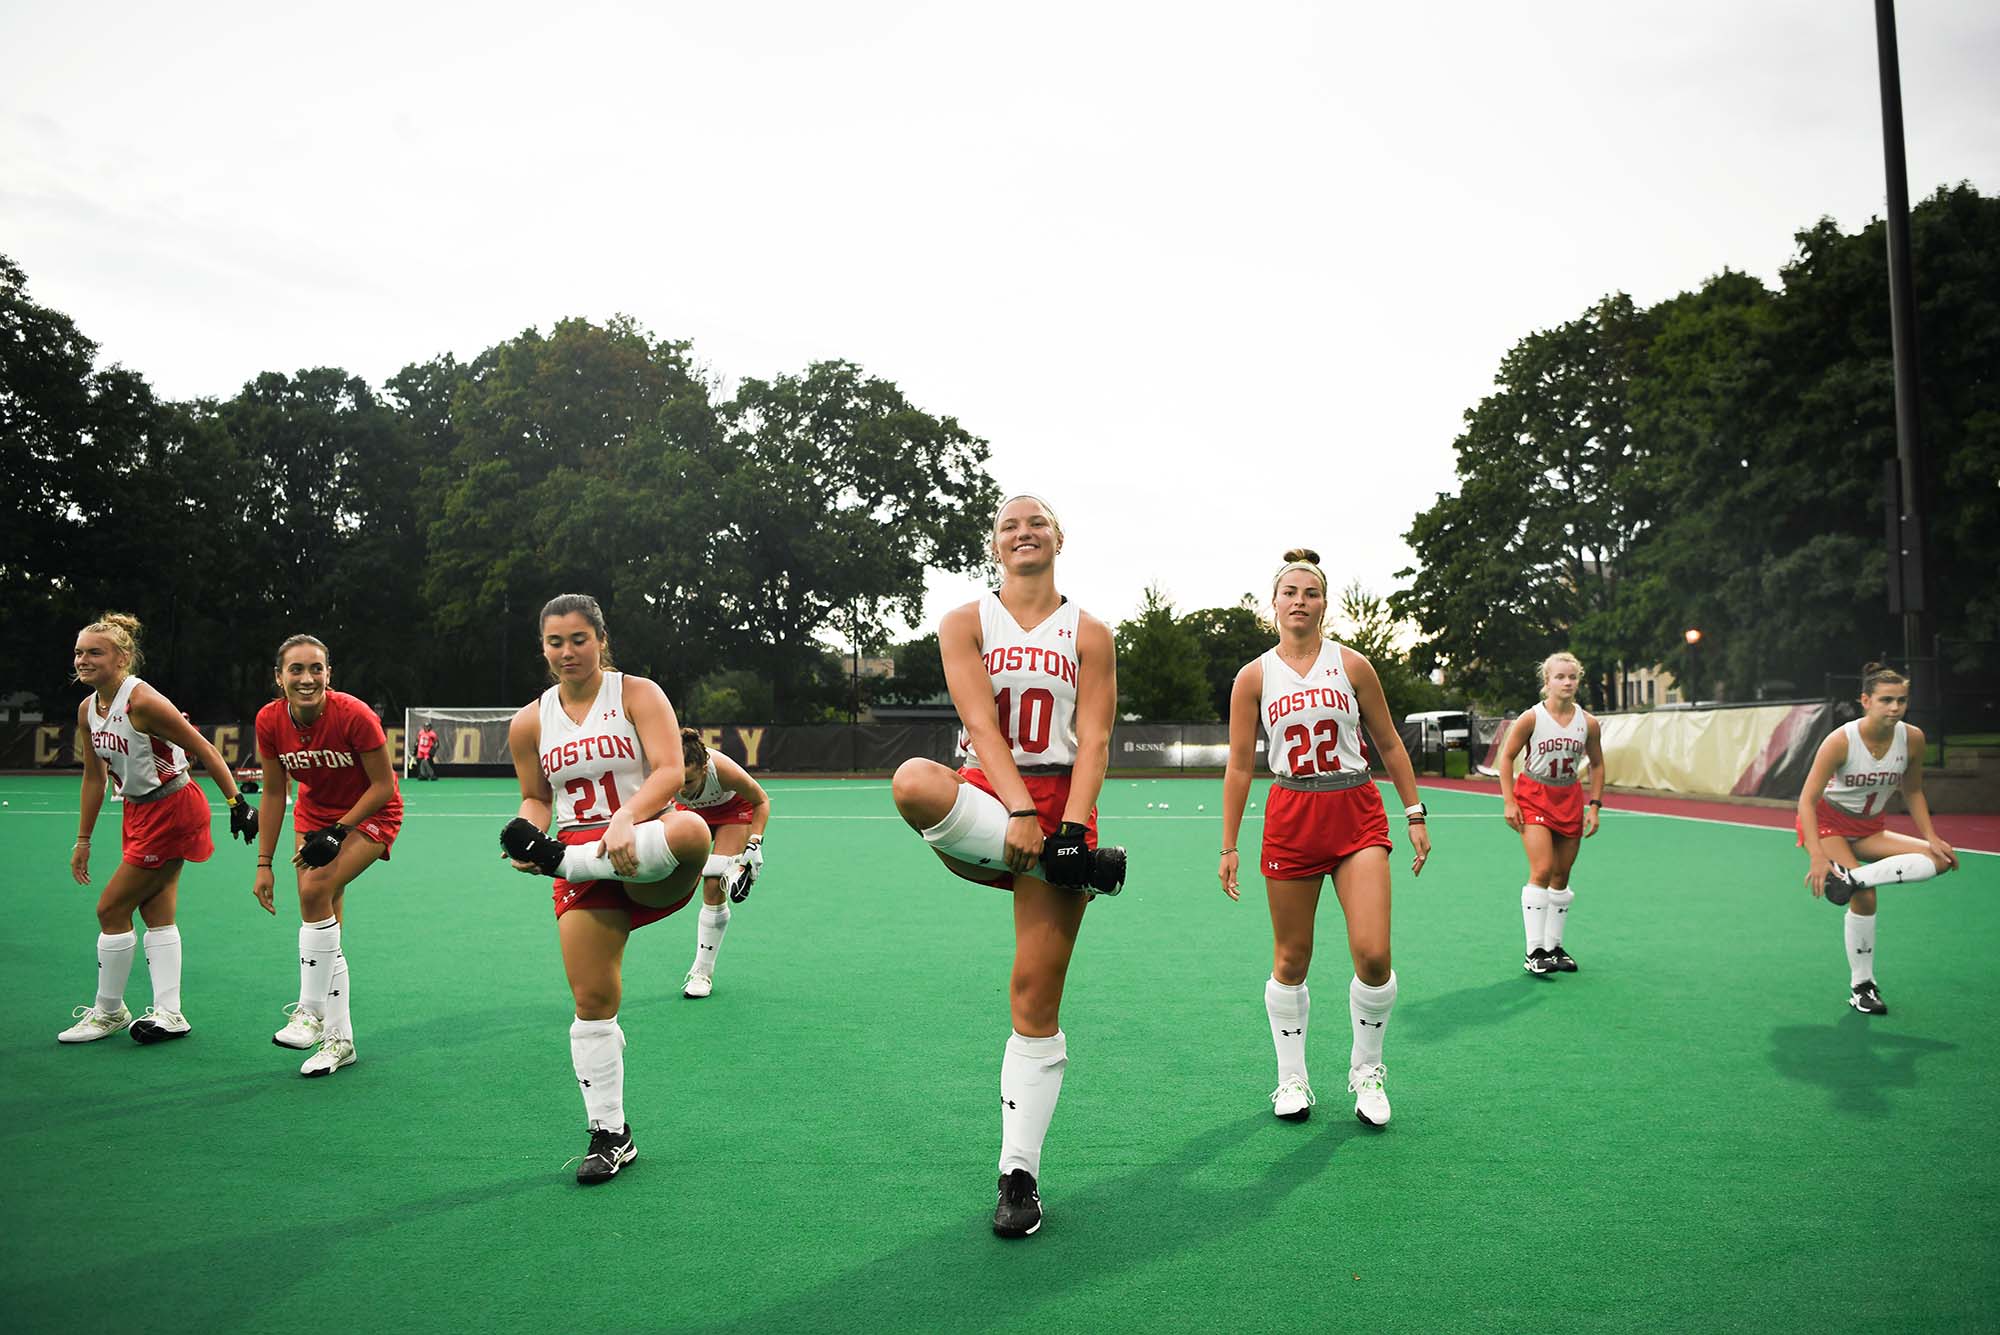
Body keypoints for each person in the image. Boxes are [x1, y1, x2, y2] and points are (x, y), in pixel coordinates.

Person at [890, 493, 1122, 1240]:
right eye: (1008, 525)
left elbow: (1093, 739)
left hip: (1064, 806)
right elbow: (981, 723)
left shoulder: (1091, 633)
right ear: (995, 545)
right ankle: (1072, 868)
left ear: (1059, 536)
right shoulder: (965, 621)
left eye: (1036, 522)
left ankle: (1018, 1174)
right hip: (995, 800)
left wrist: (1073, 826)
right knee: (914, 782)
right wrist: (1022, 813)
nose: (1023, 532)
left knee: (1032, 996)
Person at [499, 594, 714, 1185]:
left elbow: (670, 771)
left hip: (645, 846)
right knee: (592, 1002)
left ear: (600, 639)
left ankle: (568, 863)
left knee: (694, 831)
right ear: (542, 647)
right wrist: (528, 833)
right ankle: (610, 1133)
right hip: (578, 852)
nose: (567, 652)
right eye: (555, 642)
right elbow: (538, 798)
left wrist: (626, 818)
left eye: (578, 639)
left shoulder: (639, 694)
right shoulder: (529, 721)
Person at [1218, 550, 1431, 1130]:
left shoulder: (1353, 665)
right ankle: (1292, 1076)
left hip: (1356, 809)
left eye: (1310, 592)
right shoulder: (1254, 676)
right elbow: (1240, 766)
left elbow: (1388, 742)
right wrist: (1229, 843)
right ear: (1275, 603)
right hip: (1291, 811)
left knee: (1374, 953)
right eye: (1290, 591)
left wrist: (1414, 812)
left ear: (1323, 603)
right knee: (1291, 957)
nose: (1300, 601)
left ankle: (1368, 1070)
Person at [62, 614, 256, 1044]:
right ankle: (170, 1014)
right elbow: (93, 778)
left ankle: (108, 1010)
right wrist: (83, 839)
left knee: (111, 909)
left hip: (173, 809)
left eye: (95, 652)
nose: (83, 659)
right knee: (155, 913)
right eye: (79, 652)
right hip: (137, 812)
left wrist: (236, 802)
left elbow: (202, 746)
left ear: (123, 657)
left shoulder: (142, 702)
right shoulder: (87, 709)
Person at [252, 635, 404, 1077]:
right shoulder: (269, 720)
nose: (306, 678)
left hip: (370, 815)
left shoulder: (354, 715)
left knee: (315, 889)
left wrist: (339, 832)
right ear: (279, 677)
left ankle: (310, 1011)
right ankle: (340, 1042)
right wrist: (264, 863)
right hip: (314, 816)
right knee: (325, 924)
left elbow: (383, 788)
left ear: (328, 674)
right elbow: (276, 791)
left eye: (316, 669)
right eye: (296, 670)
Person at [1798, 663, 1958, 1016]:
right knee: (1866, 898)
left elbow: (1913, 790)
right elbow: (1806, 802)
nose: (1895, 708)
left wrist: (1931, 836)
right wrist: (1815, 855)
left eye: (1901, 700)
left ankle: (1850, 880)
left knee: (1942, 861)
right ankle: (1862, 986)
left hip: (1870, 828)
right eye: (1886, 700)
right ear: (1865, 701)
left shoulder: (1912, 737)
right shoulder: (1840, 741)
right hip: (1829, 826)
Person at [1498, 652, 1605, 976]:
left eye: (1572, 677)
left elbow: (1597, 764)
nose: (1567, 682)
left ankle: (1554, 947)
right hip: (1534, 796)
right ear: (1547, 682)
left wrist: (1595, 805)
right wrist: (1509, 801)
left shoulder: (1587, 723)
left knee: (1562, 875)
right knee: (1542, 869)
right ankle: (1534, 951)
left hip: (1569, 796)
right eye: (1560, 677)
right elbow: (1506, 758)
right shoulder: (1531, 718)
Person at [672, 729, 771, 999]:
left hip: (732, 812)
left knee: (713, 884)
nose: (682, 788)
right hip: (690, 815)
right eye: (677, 781)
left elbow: (761, 800)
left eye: (689, 781)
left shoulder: (722, 770)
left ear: (704, 768)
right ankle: (735, 868)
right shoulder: (662, 769)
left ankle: (702, 972)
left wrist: (754, 842)